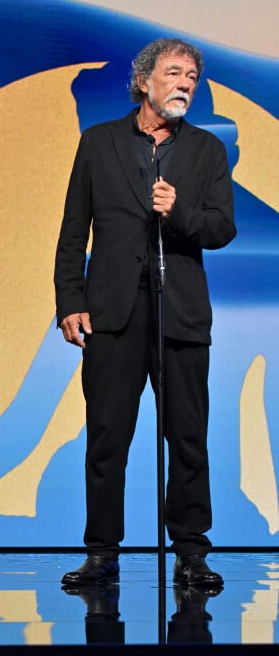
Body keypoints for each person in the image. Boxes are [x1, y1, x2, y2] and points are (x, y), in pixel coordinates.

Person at [54, 38, 236, 588]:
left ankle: (190, 552)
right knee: (107, 436)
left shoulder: (206, 150)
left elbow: (221, 228)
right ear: (143, 82)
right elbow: (71, 233)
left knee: (187, 436)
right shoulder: (99, 141)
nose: (184, 84)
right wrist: (69, 302)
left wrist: (178, 212)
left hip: (179, 312)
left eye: (191, 78)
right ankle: (102, 553)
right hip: (112, 313)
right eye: (174, 73)